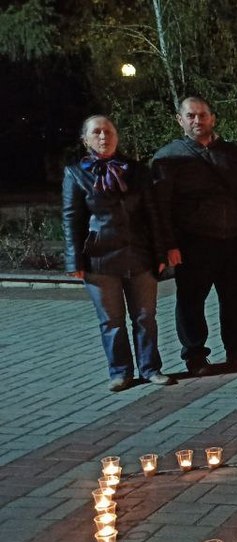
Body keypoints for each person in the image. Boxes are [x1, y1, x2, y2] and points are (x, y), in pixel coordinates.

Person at [63, 115, 175, 391]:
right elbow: (71, 218)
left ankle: (150, 368)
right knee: (112, 321)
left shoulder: (135, 170)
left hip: (139, 255)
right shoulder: (76, 173)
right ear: (86, 139)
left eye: (109, 131)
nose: (104, 137)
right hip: (99, 259)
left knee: (145, 317)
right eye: (97, 132)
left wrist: (160, 253)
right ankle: (120, 372)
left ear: (117, 135)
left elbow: (153, 214)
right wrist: (73, 259)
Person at [151, 95, 237, 376]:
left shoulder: (233, 154)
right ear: (180, 120)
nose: (197, 120)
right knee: (191, 301)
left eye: (202, 115)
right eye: (190, 116)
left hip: (232, 240)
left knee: (236, 298)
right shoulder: (168, 158)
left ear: (212, 118)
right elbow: (160, 207)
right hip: (193, 242)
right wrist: (169, 245)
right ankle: (195, 355)